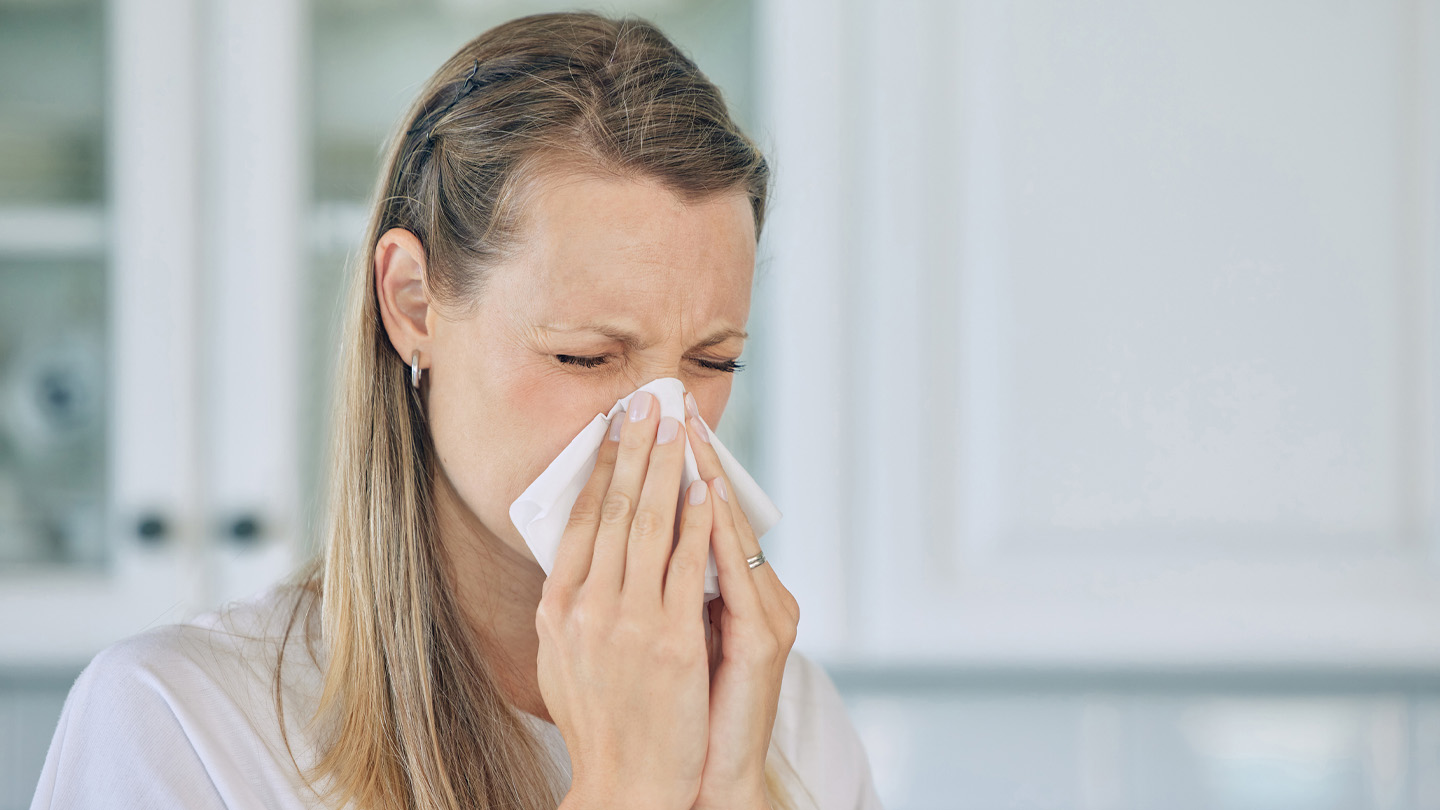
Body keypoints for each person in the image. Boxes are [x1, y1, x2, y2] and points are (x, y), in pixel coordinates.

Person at [31, 11, 883, 810]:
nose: (662, 426)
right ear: (412, 304)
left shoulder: (787, 712)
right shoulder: (180, 725)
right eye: (584, 356)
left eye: (712, 361)